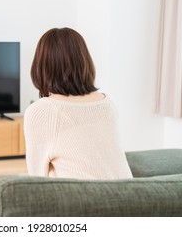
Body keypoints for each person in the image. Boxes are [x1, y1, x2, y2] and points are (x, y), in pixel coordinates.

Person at [24, 27, 133, 180]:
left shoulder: (42, 110)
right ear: (84, 61)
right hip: (128, 197)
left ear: (42, 66)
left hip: (84, 201)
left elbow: (37, 178)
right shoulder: (108, 103)